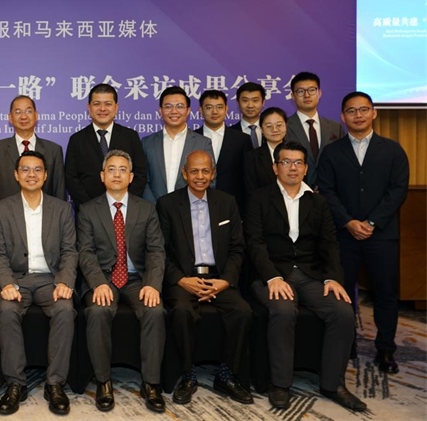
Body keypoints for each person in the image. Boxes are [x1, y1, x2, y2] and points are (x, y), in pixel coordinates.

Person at [245, 141, 365, 412]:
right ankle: (280, 384)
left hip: (311, 274)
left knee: (343, 312)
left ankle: (333, 384)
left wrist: (332, 278)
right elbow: (254, 243)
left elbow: (329, 244)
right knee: (283, 309)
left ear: (306, 168)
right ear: (275, 167)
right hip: (271, 274)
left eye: (298, 162)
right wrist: (272, 277)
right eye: (286, 162)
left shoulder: (318, 202)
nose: (293, 168)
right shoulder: (259, 198)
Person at [318, 91, 409, 374]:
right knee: (342, 292)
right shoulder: (332, 152)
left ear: (374, 113)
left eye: (363, 109)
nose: (358, 115)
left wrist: (372, 222)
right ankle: (346, 344)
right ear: (342, 117)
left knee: (386, 293)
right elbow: (327, 190)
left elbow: (398, 190)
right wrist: (348, 222)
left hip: (381, 235)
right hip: (343, 235)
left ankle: (385, 349)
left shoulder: (392, 150)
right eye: (351, 111)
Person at [157, 150, 252, 405]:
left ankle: (226, 374)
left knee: (243, 311)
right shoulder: (167, 204)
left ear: (213, 173)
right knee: (181, 311)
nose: (200, 176)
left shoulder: (227, 202)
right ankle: (187, 375)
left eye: (205, 171)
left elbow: (237, 248)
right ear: (184, 173)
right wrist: (181, 280)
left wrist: (226, 280)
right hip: (185, 279)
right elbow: (160, 250)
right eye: (194, 171)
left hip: (219, 278)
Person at [76, 150, 166, 413]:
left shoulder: (146, 209)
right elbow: (85, 252)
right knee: (98, 310)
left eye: (122, 170)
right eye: (111, 169)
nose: (117, 174)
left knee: (154, 311)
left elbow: (156, 250)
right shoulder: (87, 210)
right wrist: (97, 282)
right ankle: (103, 381)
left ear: (131, 177)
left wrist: (153, 284)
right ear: (102, 176)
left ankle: (151, 383)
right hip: (103, 277)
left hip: (137, 279)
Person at [0, 151, 77, 416]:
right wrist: (6, 283)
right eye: (25, 170)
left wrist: (64, 281)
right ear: (16, 175)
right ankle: (15, 384)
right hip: (16, 279)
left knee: (65, 309)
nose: (31, 175)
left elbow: (70, 251)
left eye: (37, 169)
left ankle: (55, 384)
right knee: (6, 311)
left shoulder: (61, 208)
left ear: (46, 175)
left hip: (51, 279)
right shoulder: (1, 209)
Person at [65, 84, 147, 209]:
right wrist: (90, 207)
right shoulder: (77, 140)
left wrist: (125, 203)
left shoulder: (130, 137)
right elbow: (71, 178)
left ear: (116, 107)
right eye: (97, 104)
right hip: (88, 211)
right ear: (89, 107)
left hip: (125, 210)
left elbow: (140, 174)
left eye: (108, 104)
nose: (102, 109)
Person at [0, 95, 65, 202]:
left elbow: (59, 192)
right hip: (6, 212)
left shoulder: (53, 150)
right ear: (10, 118)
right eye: (18, 112)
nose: (23, 116)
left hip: (45, 212)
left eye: (28, 111)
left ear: (36, 115)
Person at [143, 86, 214, 203]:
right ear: (160, 111)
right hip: (154, 209)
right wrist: (154, 207)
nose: (174, 111)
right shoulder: (147, 143)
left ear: (188, 110)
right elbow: (143, 180)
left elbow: (210, 179)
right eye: (168, 106)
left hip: (190, 209)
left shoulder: (203, 143)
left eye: (180, 106)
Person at [193, 89, 253, 208]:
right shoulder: (191, 138)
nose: (215, 112)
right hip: (197, 203)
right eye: (209, 107)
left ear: (226, 109)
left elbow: (248, 177)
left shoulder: (242, 139)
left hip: (233, 204)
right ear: (200, 110)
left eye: (219, 107)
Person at [286, 72, 345, 188]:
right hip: (296, 190)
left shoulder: (335, 127)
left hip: (330, 191)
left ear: (319, 93)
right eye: (300, 91)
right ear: (293, 96)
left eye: (312, 90)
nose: (307, 95)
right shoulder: (284, 126)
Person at [243, 107, 287, 196]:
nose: (275, 129)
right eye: (269, 126)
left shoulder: (297, 153)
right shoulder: (252, 157)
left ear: (285, 126)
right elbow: (251, 191)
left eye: (279, 125)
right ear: (262, 130)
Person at [229, 81, 266, 148]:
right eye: (245, 101)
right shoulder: (229, 133)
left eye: (255, 100)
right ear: (238, 103)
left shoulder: (271, 130)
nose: (250, 105)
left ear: (263, 102)